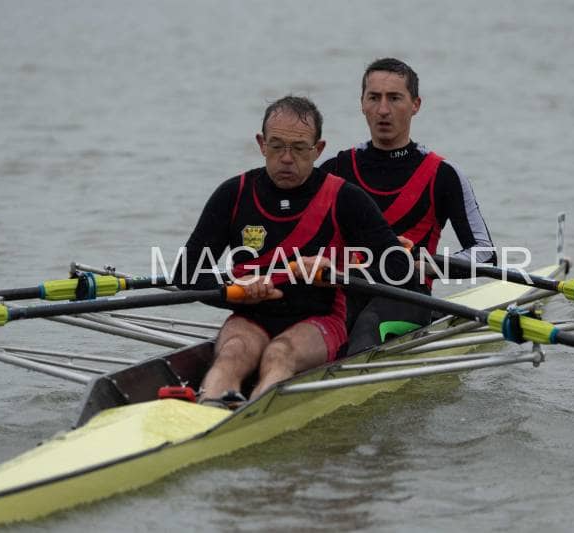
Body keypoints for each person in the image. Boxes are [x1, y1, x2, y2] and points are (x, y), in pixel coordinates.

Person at [175, 95, 413, 406]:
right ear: (261, 144)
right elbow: (186, 274)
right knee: (232, 354)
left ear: (318, 149)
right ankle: (208, 412)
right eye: (276, 146)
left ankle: (251, 420)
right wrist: (234, 288)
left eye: (299, 148)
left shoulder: (346, 198)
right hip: (250, 317)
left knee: (280, 353)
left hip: (319, 319)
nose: (287, 158)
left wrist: (336, 273)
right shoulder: (233, 194)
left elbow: (398, 268)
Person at [320, 58, 497, 354]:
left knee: (366, 326)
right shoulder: (334, 169)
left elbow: (485, 254)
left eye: (394, 98)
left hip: (408, 296)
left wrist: (423, 264)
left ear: (415, 105)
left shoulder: (443, 174)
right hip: (345, 288)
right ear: (362, 104)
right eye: (374, 98)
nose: (383, 109)